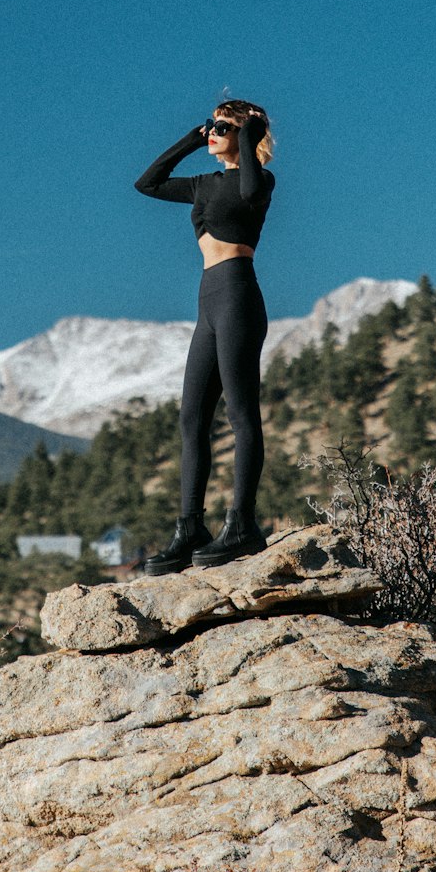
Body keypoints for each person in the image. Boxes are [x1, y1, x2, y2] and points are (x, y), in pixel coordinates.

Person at [134, 100, 275, 572]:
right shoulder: (202, 184)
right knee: (192, 419)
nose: (213, 132)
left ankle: (242, 526)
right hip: (208, 303)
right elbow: (147, 183)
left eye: (222, 127)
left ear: (247, 132)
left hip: (238, 296)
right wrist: (191, 139)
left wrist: (251, 140)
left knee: (240, 412)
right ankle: (190, 527)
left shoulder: (259, 179)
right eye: (211, 125)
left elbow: (251, 190)